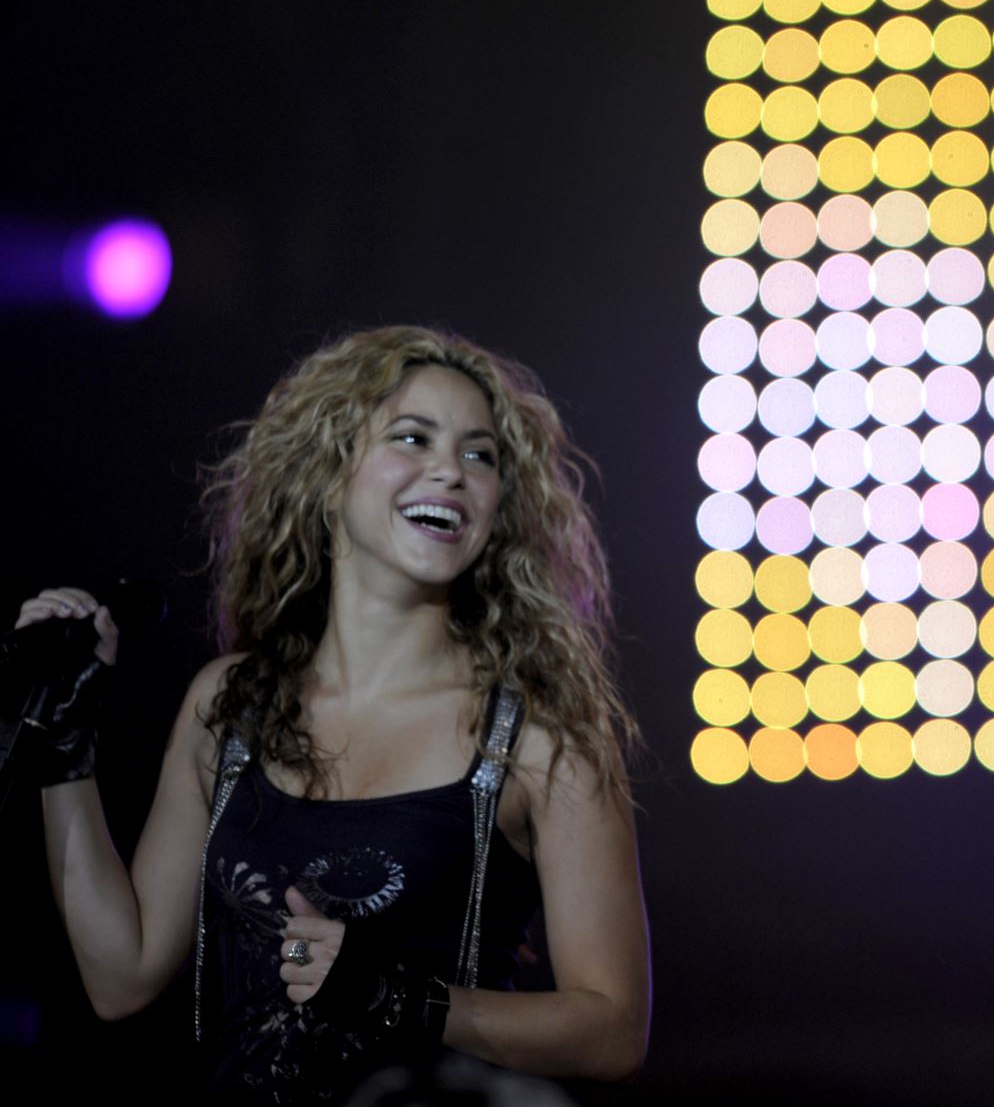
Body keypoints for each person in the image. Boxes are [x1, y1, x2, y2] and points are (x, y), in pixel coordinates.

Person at [19, 326, 650, 1102]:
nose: (450, 471)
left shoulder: (538, 734)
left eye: (480, 455)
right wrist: (64, 753)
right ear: (328, 472)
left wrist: (403, 1001)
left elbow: (614, 1030)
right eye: (413, 438)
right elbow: (120, 976)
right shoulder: (230, 704)